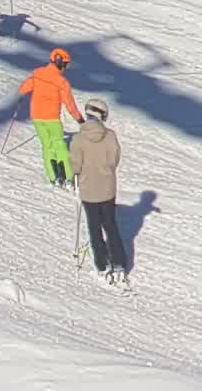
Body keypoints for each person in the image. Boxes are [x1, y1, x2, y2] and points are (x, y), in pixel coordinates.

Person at [69, 98, 128, 283]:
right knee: (111, 226)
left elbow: (75, 166)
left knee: (94, 229)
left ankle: (102, 265)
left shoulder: (78, 139)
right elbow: (114, 161)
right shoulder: (110, 136)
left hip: (88, 192)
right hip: (107, 189)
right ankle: (119, 263)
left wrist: (78, 172)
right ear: (102, 115)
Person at [18, 48, 83, 187]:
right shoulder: (61, 81)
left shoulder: (37, 73)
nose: (66, 67)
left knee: (47, 146)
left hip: (36, 118)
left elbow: (23, 89)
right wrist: (80, 120)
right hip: (52, 118)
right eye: (65, 64)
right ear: (59, 62)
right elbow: (69, 104)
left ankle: (54, 177)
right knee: (60, 145)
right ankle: (69, 177)